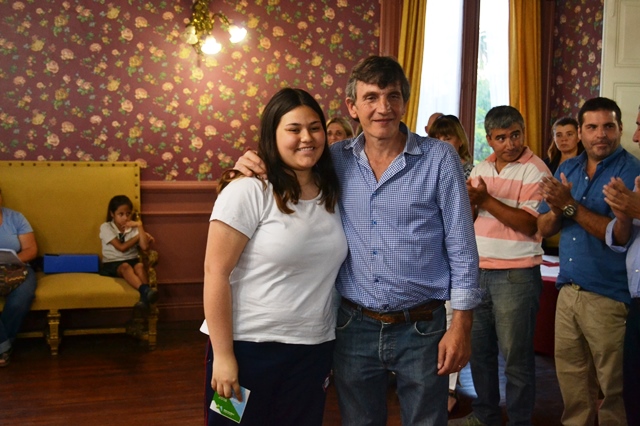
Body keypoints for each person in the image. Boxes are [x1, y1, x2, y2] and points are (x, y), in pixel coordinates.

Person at [233, 55, 481, 425]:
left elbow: (462, 248)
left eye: (393, 96)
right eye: (371, 97)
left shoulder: (439, 158)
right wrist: (245, 167)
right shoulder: (334, 159)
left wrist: (461, 325)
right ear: (352, 106)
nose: (383, 108)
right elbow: (288, 164)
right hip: (353, 325)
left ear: (404, 102)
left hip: (422, 326)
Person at [202, 88, 348, 426]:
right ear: (273, 135)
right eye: (294, 129)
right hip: (247, 348)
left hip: (313, 349)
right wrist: (223, 355)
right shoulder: (248, 190)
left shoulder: (334, 191)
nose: (307, 138)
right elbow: (215, 272)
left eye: (315, 128)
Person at [537, 97, 640, 426]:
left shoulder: (632, 171)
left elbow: (619, 236)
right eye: (592, 127)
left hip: (609, 296)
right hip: (568, 290)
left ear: (620, 129)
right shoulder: (567, 168)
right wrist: (557, 209)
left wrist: (569, 206)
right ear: (580, 132)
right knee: (572, 384)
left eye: (608, 126)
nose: (601, 134)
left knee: (614, 390)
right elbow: (543, 227)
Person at [462, 105, 550, 426]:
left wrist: (485, 200)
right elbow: (470, 219)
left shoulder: (536, 170)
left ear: (523, 132)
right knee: (480, 353)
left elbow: (529, 224)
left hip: (517, 274)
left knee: (516, 359)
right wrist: (471, 203)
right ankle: (484, 415)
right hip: (478, 272)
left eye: (515, 135)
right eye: (501, 138)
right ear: (488, 139)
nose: (510, 144)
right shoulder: (481, 168)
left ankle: (519, 421)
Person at [602, 104, 640, 425]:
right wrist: (623, 216)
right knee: (633, 393)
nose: (636, 137)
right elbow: (624, 239)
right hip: (637, 300)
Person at [99, 195, 157, 313]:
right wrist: (138, 237)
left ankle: (144, 301)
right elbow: (122, 248)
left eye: (128, 214)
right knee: (125, 267)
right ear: (112, 214)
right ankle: (146, 291)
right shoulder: (106, 227)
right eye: (121, 214)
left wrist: (139, 226)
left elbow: (145, 247)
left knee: (140, 266)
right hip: (113, 263)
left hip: (132, 260)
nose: (125, 218)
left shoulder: (133, 227)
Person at [0, 187, 37, 367]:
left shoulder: (16, 218)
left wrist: (14, 260)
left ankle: (3, 344)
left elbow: (31, 250)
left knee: (22, 297)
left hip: (19, 268)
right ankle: (4, 347)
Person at [429, 114, 474, 179]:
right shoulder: (428, 170)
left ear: (460, 140)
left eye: (447, 139)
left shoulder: (472, 173)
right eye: (436, 140)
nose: (440, 144)